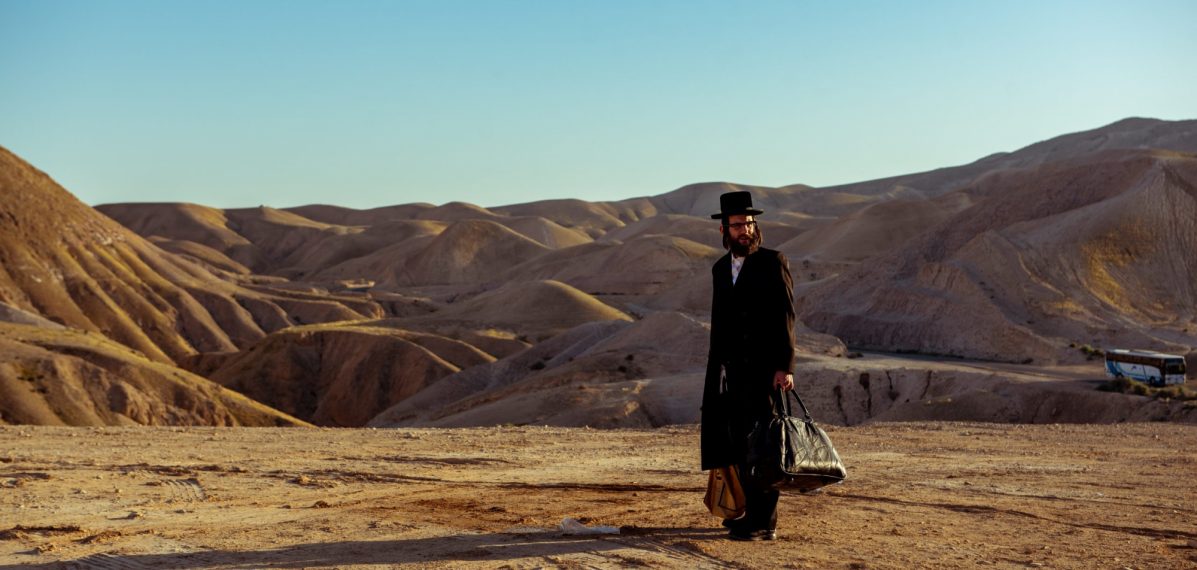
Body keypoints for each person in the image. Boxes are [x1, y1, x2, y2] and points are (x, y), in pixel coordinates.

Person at [701, 190, 796, 541]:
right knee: (738, 445)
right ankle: (747, 513)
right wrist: (716, 372)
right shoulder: (720, 270)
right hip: (730, 375)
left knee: (764, 447)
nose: (746, 230)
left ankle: (764, 523)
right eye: (738, 225)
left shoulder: (773, 261)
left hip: (764, 373)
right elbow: (720, 323)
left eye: (750, 224)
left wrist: (785, 366)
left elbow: (786, 315)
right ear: (724, 230)